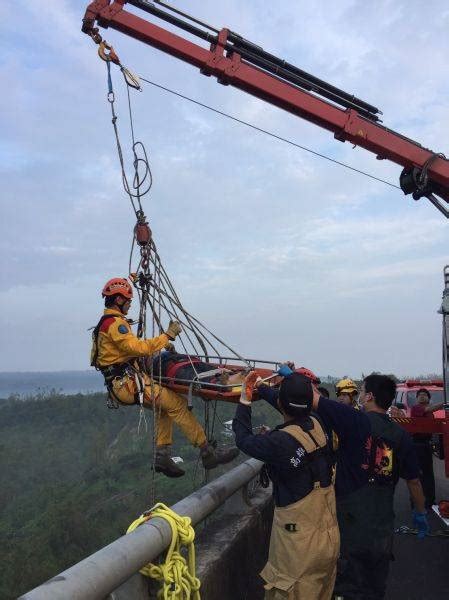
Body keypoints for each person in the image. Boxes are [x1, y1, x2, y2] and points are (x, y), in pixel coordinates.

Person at [90, 277, 239, 478]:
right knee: (177, 404)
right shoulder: (115, 324)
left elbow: (126, 351)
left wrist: (160, 345)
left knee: (164, 407)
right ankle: (207, 452)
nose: (130, 303)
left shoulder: (106, 323)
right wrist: (166, 336)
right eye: (128, 300)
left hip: (123, 385)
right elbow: (137, 348)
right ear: (118, 300)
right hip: (128, 385)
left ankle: (162, 455)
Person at [312, 374, 429, 600]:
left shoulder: (353, 420)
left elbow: (314, 399)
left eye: (363, 390)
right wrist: (421, 512)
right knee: (375, 588)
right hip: (381, 527)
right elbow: (414, 481)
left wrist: (289, 375)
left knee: (347, 587)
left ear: (369, 396)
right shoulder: (401, 436)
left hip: (350, 525)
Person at [233, 372, 339, 600]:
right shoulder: (318, 423)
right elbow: (288, 405)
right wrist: (262, 388)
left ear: (281, 403)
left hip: (297, 544)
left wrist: (245, 399)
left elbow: (243, 439)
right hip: (328, 536)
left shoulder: (280, 442)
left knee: (288, 590)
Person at [410, 387, 444, 508]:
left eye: (425, 395)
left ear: (429, 398)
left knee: (428, 474)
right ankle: (417, 501)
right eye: (420, 395)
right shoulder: (416, 409)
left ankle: (429, 500)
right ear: (417, 398)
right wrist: (445, 403)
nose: (422, 396)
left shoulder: (430, 414)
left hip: (426, 445)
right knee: (418, 474)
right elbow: (431, 408)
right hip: (416, 445)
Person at [151, 350, 247, 390]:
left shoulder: (150, 350)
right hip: (171, 365)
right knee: (193, 375)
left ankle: (227, 376)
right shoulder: (144, 357)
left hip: (180, 360)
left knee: (201, 371)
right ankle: (221, 381)